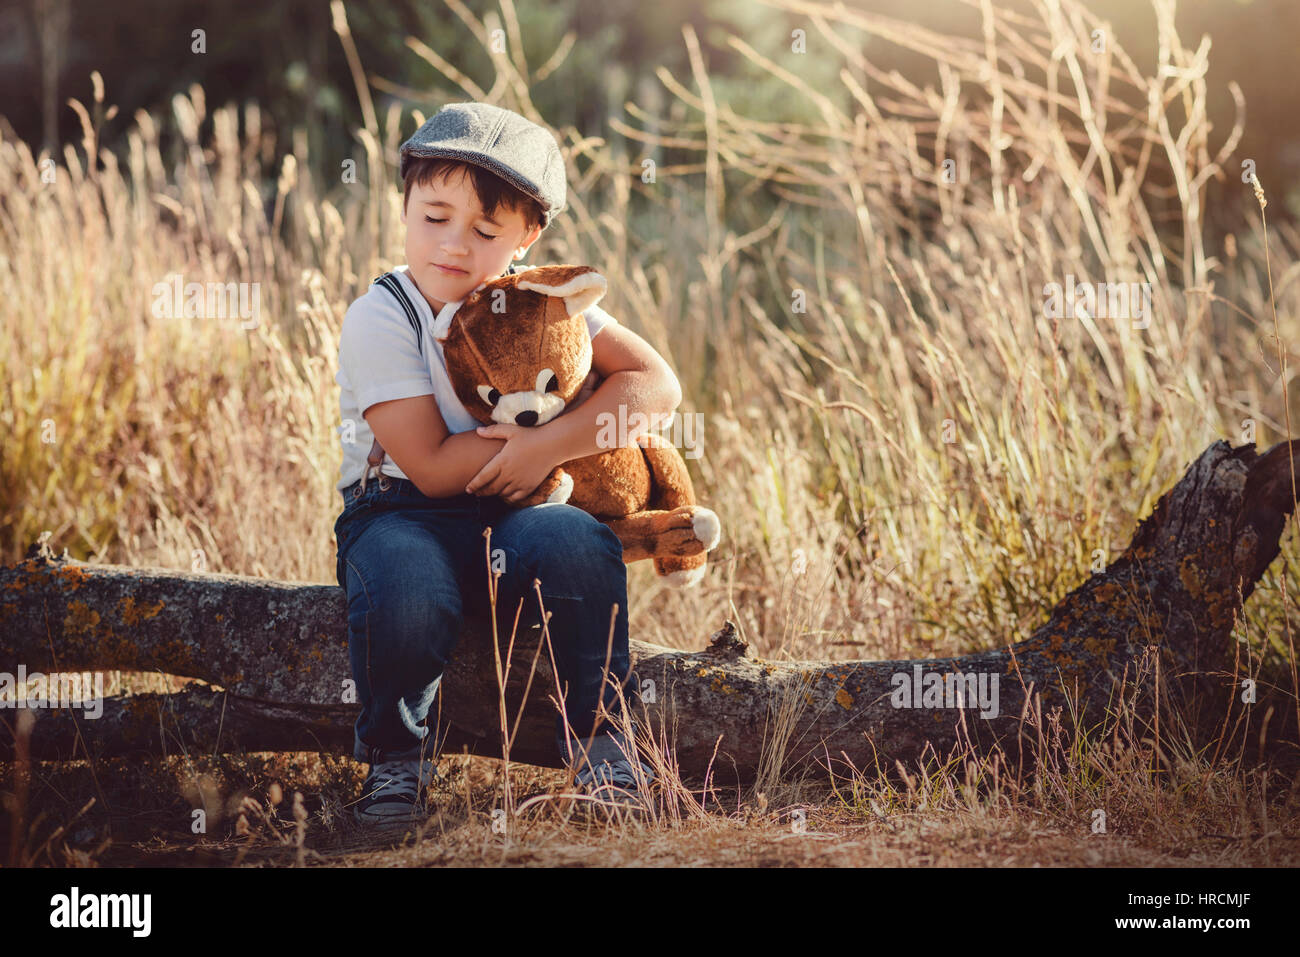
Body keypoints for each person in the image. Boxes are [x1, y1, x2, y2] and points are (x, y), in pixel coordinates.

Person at [333, 102, 681, 827]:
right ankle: (396, 763)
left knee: (579, 543)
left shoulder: (541, 304)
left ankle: (601, 742)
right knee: (407, 586)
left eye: (486, 231)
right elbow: (428, 464)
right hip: (401, 512)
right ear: (403, 206)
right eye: (434, 217)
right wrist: (530, 445)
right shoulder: (383, 313)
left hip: (519, 512)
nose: (454, 246)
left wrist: (551, 445)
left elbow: (655, 384)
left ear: (528, 236)